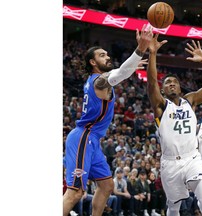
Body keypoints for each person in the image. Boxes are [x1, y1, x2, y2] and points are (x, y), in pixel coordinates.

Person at [63, 24, 153, 216]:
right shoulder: (98, 80)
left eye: (107, 54)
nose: (108, 56)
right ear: (93, 62)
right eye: (102, 55)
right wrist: (140, 49)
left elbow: (120, 73)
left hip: (93, 139)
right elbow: (120, 74)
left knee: (106, 185)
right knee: (75, 192)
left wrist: (127, 68)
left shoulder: (98, 80)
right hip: (83, 138)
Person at [146, 35, 202, 216]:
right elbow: (150, 83)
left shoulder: (191, 100)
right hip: (170, 163)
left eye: (175, 82)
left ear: (180, 88)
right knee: (173, 207)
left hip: (193, 159)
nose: (172, 84)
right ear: (163, 90)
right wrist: (153, 53)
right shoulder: (161, 106)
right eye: (167, 83)